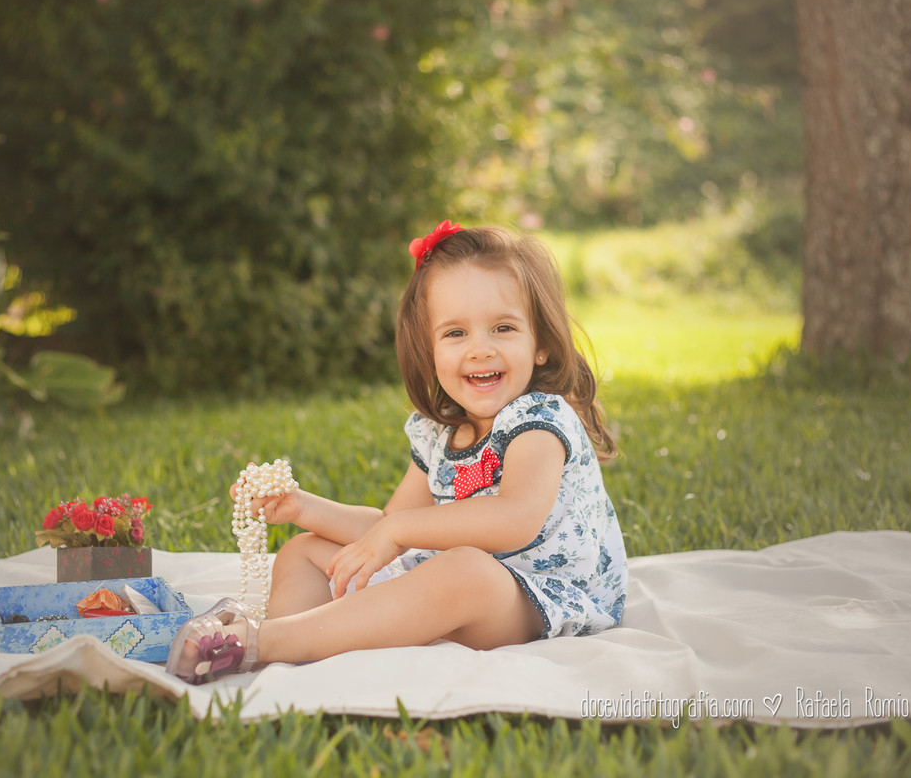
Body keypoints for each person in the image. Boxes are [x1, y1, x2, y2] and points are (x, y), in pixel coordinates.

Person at [167, 222, 627, 684]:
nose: (480, 350)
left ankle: (263, 641)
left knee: (467, 569)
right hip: (451, 585)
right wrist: (302, 507)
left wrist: (401, 531)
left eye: (503, 328)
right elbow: (387, 530)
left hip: (538, 599)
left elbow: (514, 519)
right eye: (455, 334)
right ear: (428, 350)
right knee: (306, 551)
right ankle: (290, 657)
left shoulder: (540, 421)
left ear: (541, 344)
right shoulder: (439, 432)